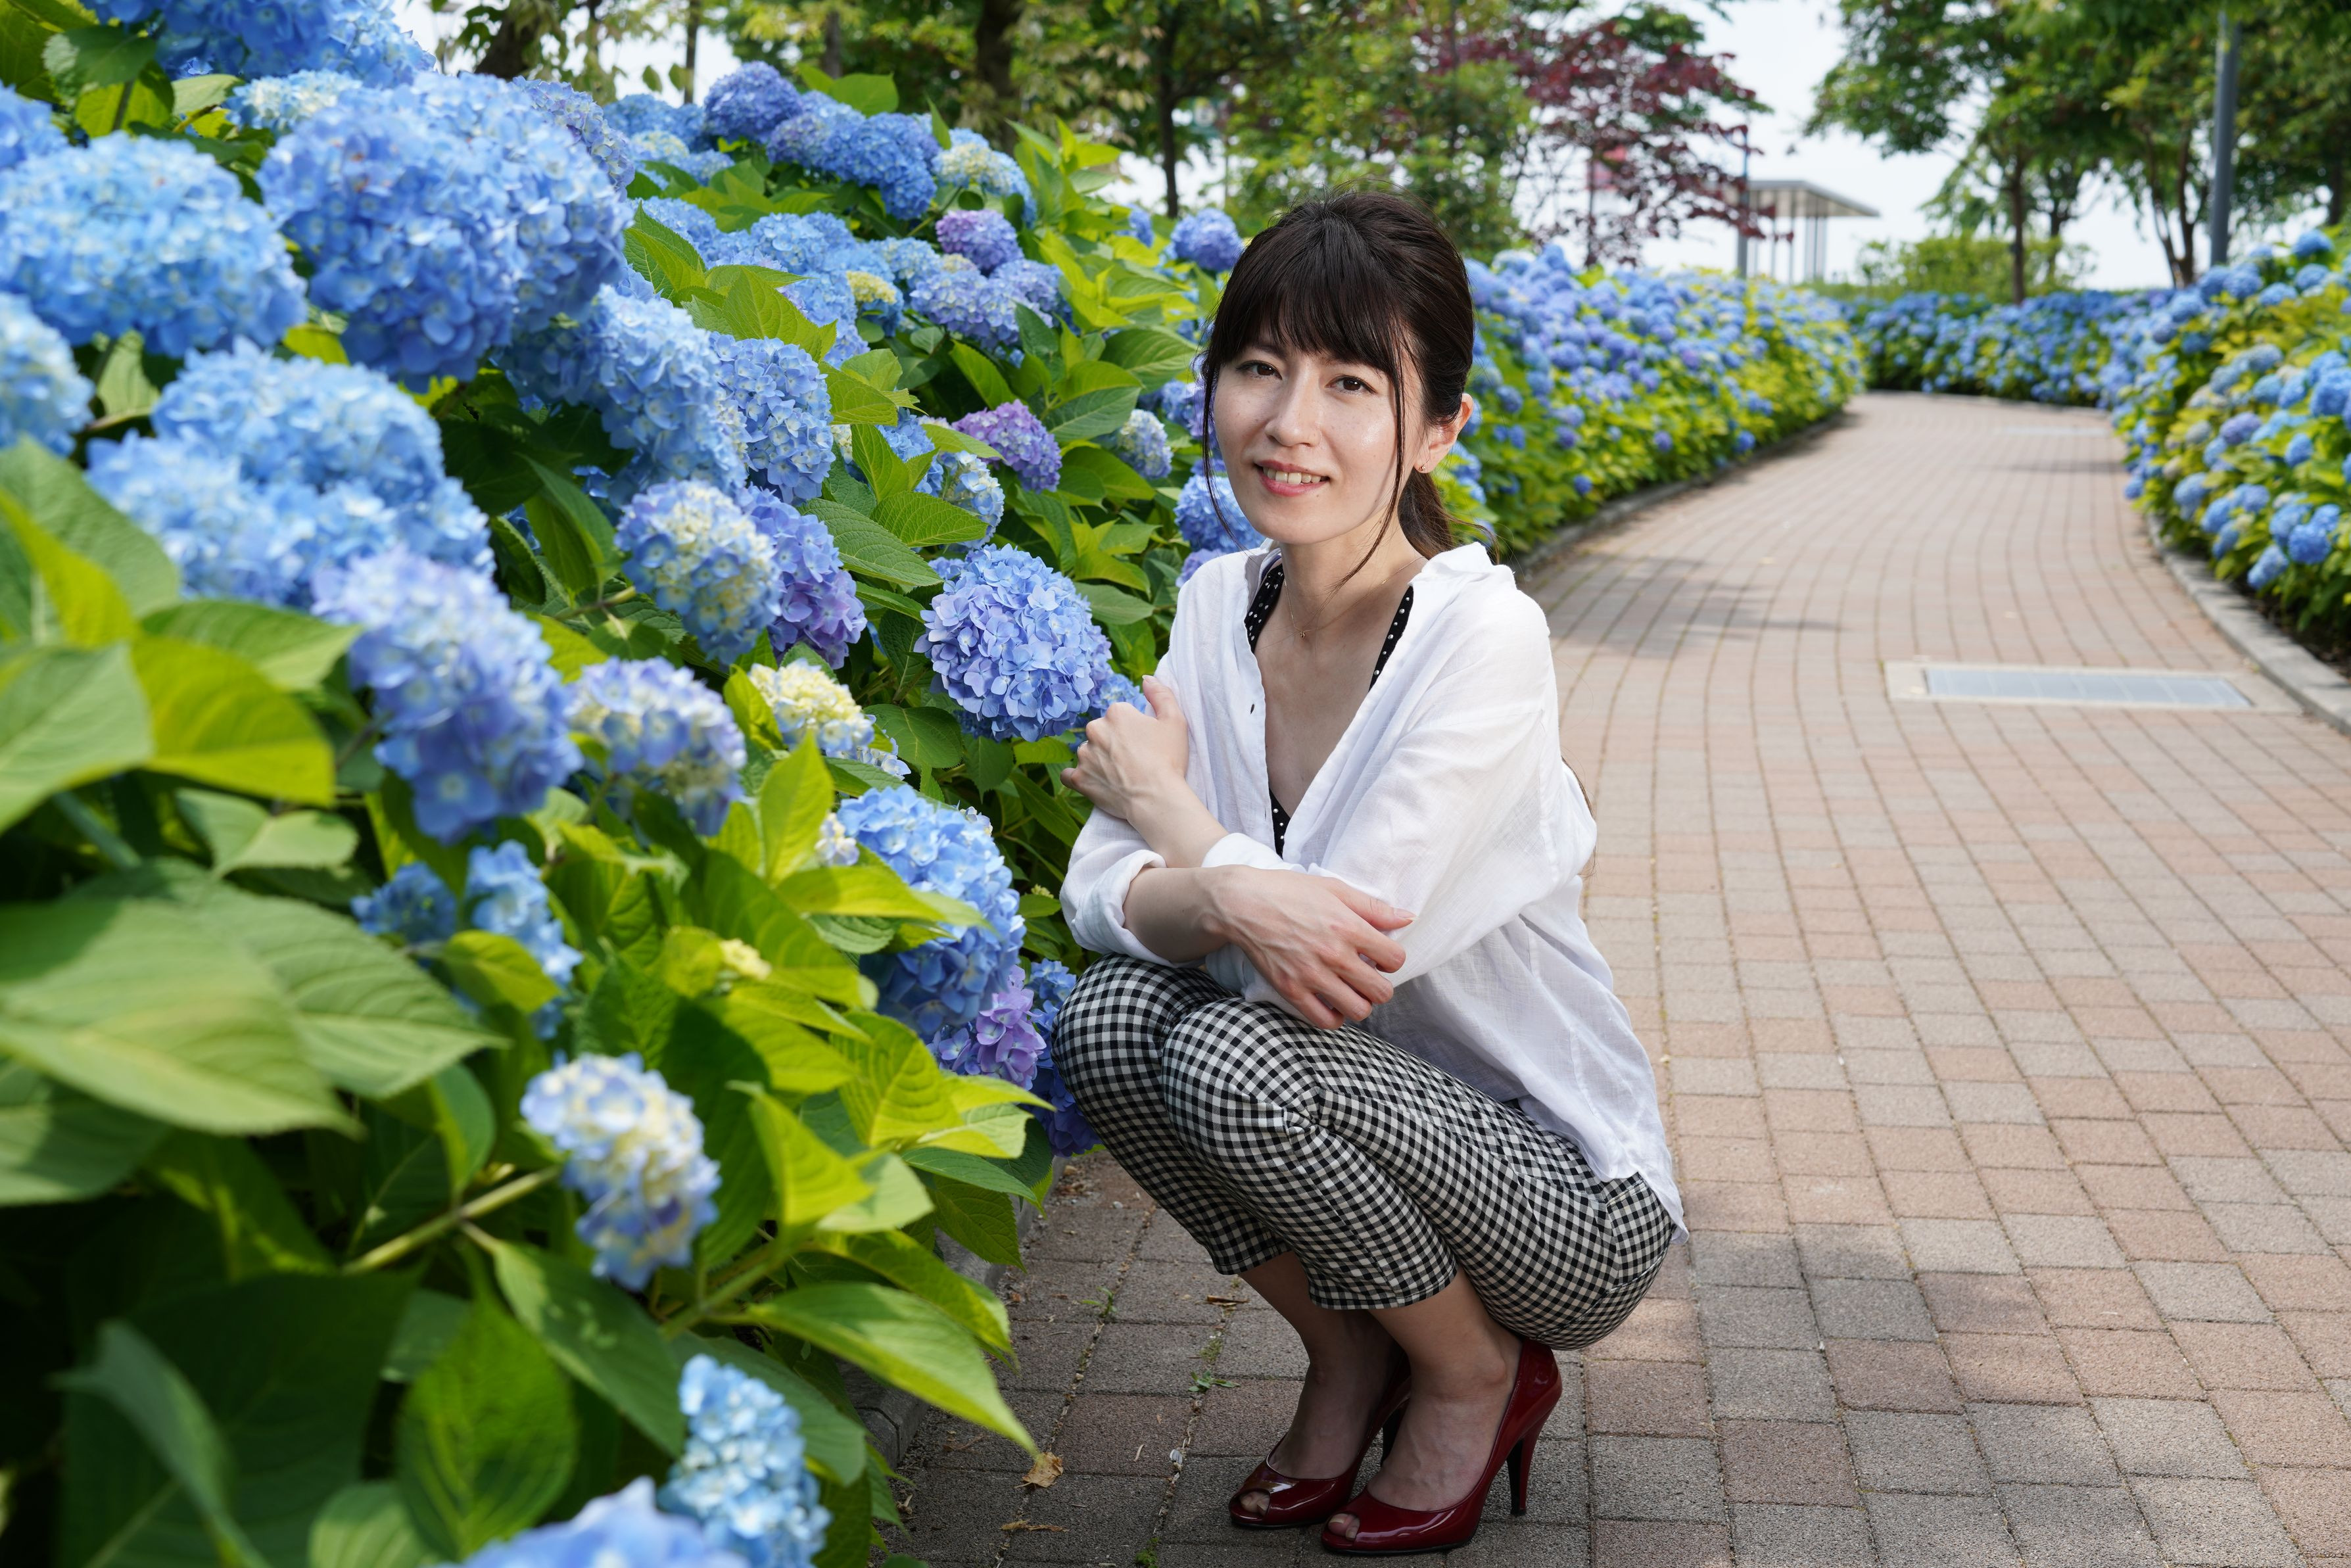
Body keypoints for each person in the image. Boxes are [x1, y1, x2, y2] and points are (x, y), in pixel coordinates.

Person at [1050, 189, 1683, 1557]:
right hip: (1345, 1136)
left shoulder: (1484, 638)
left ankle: (1473, 1368)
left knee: (1229, 1051)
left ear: (1438, 428)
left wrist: (1166, 810)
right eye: (1258, 367)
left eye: (1350, 383)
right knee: (1104, 1021)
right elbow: (1097, 897)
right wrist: (1229, 890)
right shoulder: (1216, 606)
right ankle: (1350, 1352)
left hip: (1560, 1195)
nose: (1290, 422)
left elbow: (1337, 963)